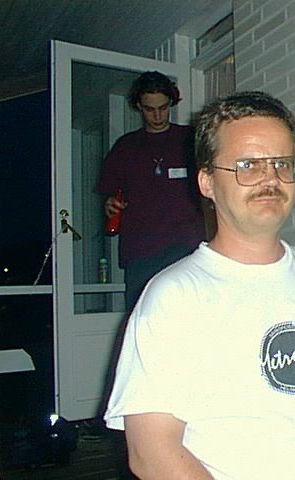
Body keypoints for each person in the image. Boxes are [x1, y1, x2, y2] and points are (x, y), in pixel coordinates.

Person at [104, 91, 295, 480]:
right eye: (248, 165)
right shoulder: (172, 297)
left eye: (282, 163)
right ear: (207, 182)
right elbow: (150, 451)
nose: (270, 179)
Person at [97, 70, 206, 309]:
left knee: (188, 311)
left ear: (171, 103)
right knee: (143, 313)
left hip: (185, 244)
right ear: (139, 106)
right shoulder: (126, 147)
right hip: (141, 248)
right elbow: (109, 195)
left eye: (163, 108)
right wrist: (109, 205)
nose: (157, 116)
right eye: (149, 109)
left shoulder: (190, 140)